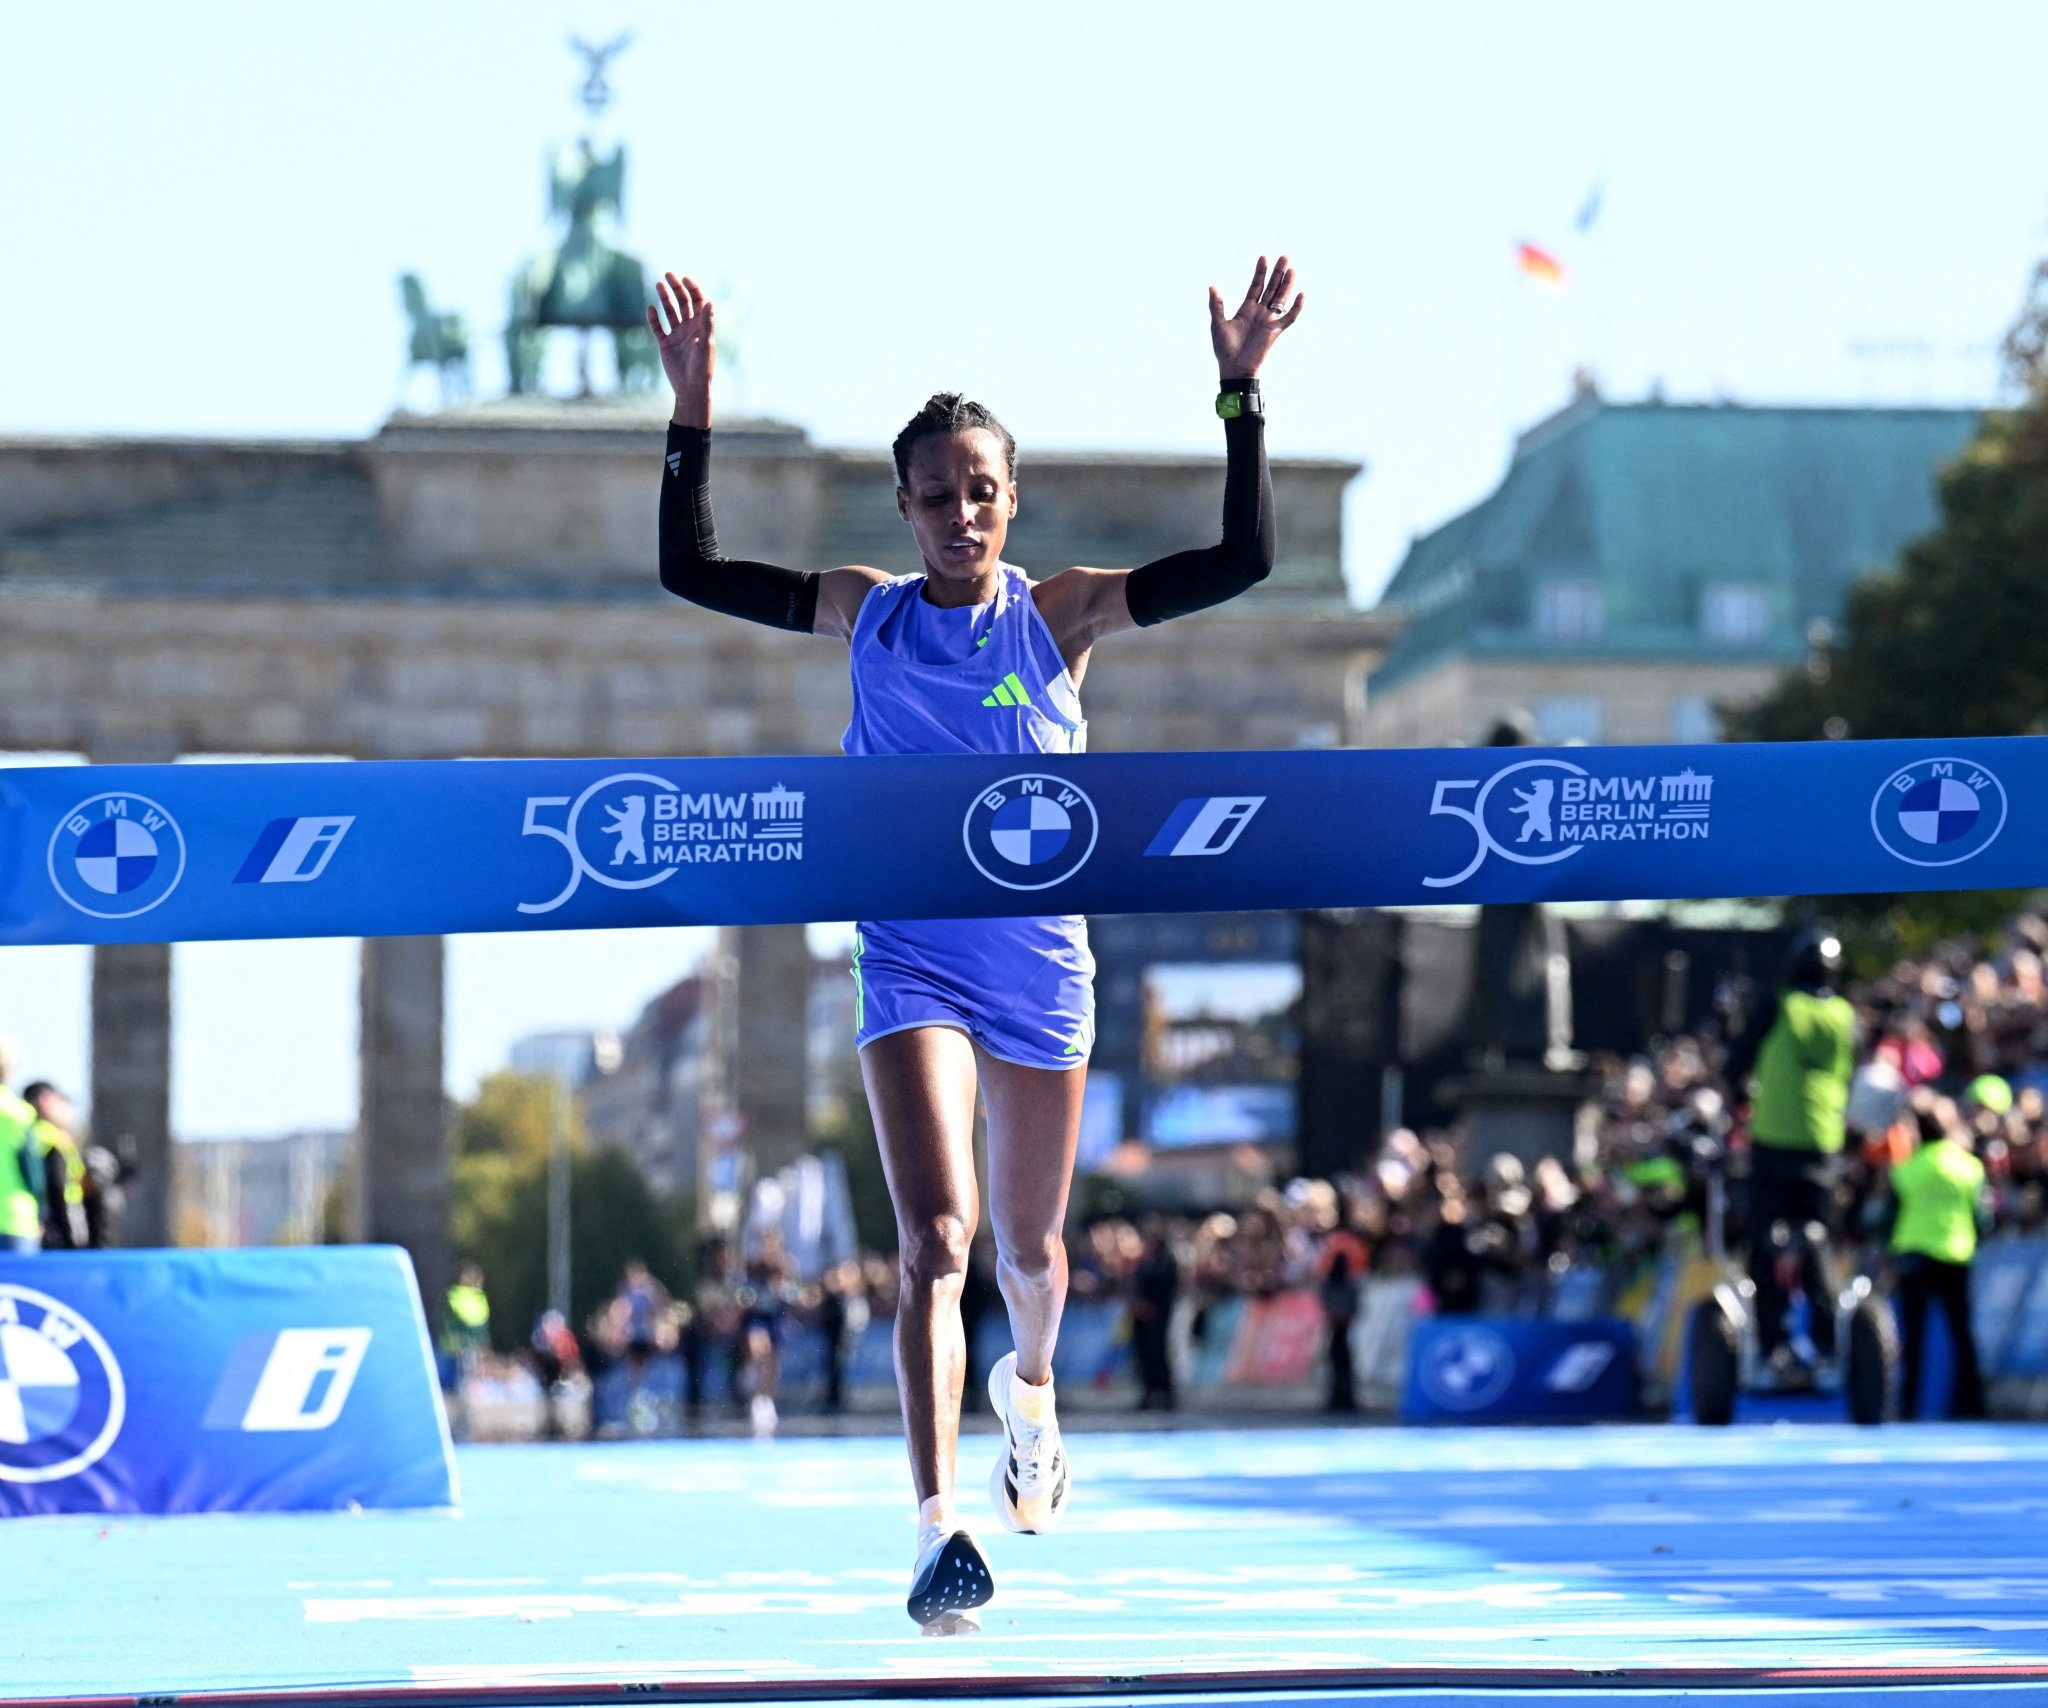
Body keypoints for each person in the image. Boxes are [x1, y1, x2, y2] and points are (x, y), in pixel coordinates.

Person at [647, 255, 1303, 1631]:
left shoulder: (1059, 616)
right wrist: (692, 414)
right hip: (909, 964)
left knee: (1034, 1259)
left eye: (982, 492)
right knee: (933, 1243)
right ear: (904, 507)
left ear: (1012, 501)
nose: (961, 516)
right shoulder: (865, 610)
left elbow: (1240, 562)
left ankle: (1037, 1398)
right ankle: (941, 1527)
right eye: (936, 496)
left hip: (1039, 970)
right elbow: (689, 568)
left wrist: (1240, 393)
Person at [1725, 928, 1856, 1377]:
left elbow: (1736, 1062)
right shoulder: (1844, 1015)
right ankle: (1826, 1337)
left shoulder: (1779, 1005)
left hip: (1772, 1141)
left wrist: (1737, 1099)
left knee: (1765, 1240)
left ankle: (1772, 1342)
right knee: (1817, 1235)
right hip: (1822, 1144)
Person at [1887, 1096, 1989, 1420]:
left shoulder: (1907, 1169)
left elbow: (1886, 1217)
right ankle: (1971, 1405)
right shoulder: (1969, 1167)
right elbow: (1983, 1217)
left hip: (1914, 1255)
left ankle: (1908, 1407)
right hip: (1956, 1255)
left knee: (1913, 1336)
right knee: (1962, 1333)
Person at [21, 1083, 87, 1251]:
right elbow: (59, 1188)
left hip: (35, 1224)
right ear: (46, 1101)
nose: (68, 1109)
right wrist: (72, 1235)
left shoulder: (27, 1133)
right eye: (61, 1101)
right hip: (56, 1228)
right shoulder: (54, 1139)